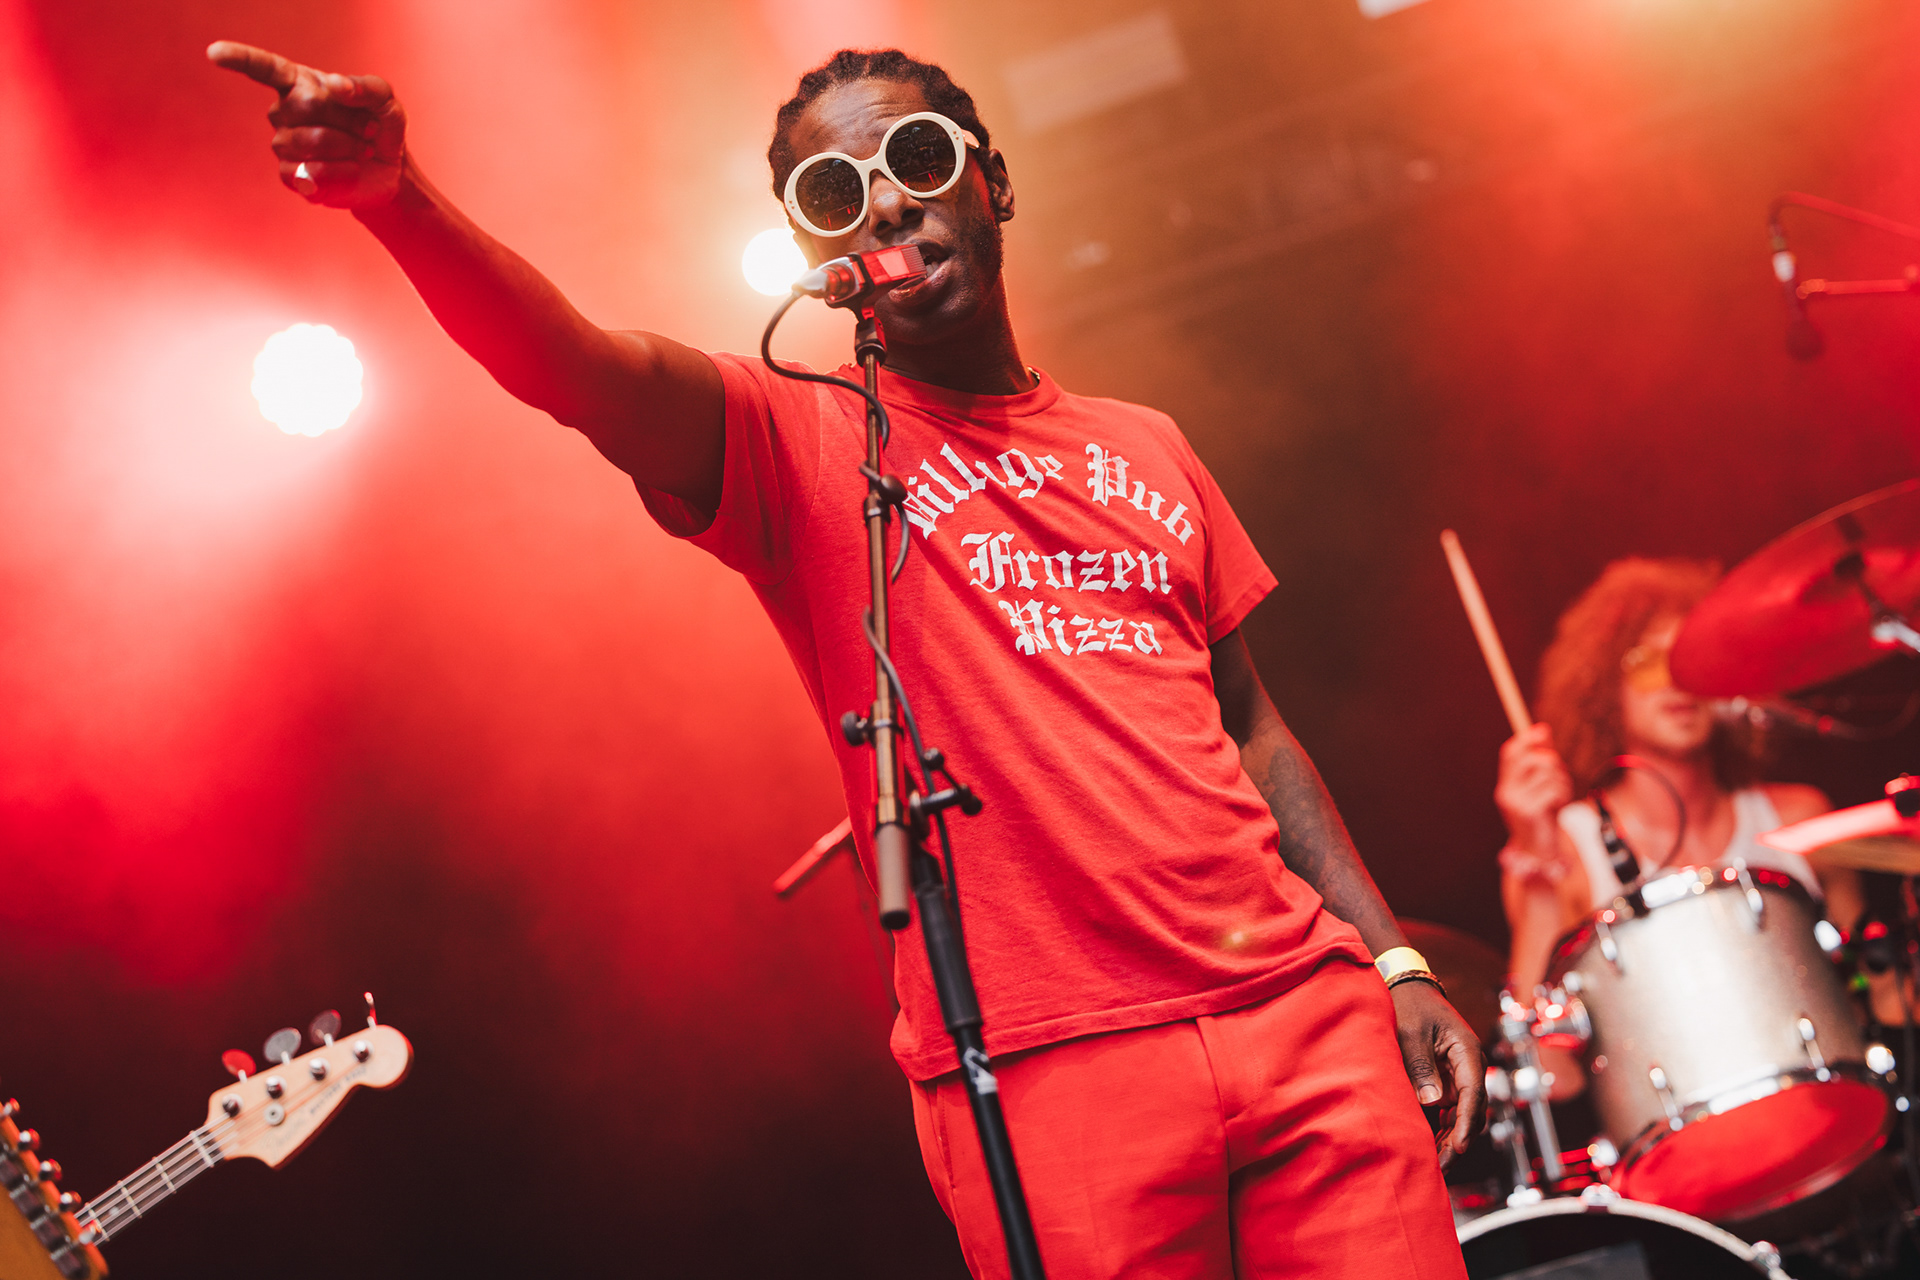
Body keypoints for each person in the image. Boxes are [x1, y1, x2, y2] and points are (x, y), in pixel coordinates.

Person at [209, 40, 1485, 1278]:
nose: (887, 203)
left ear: (991, 181)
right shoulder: (801, 440)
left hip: (1302, 1010)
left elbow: (1253, 727)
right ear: (822, 260)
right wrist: (403, 202)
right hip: (1054, 1061)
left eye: (916, 160)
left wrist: (1394, 958)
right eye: (837, 193)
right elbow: (576, 367)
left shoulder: (1147, 443)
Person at [1497, 558, 1865, 1009]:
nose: (1675, 678)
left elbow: (1880, 995)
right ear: (1605, 687)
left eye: (1692, 659)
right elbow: (1538, 1046)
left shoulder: (1802, 822)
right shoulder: (1564, 850)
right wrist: (1538, 871)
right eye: (1648, 662)